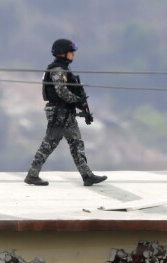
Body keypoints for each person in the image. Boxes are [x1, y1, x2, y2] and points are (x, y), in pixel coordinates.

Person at [24, 39, 107, 187]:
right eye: (71, 52)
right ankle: (32, 174)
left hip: (66, 112)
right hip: (59, 112)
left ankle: (87, 175)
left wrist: (81, 105)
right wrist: (78, 101)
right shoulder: (57, 70)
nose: (73, 55)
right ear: (62, 53)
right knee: (50, 142)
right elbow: (61, 91)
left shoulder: (63, 69)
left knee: (76, 143)